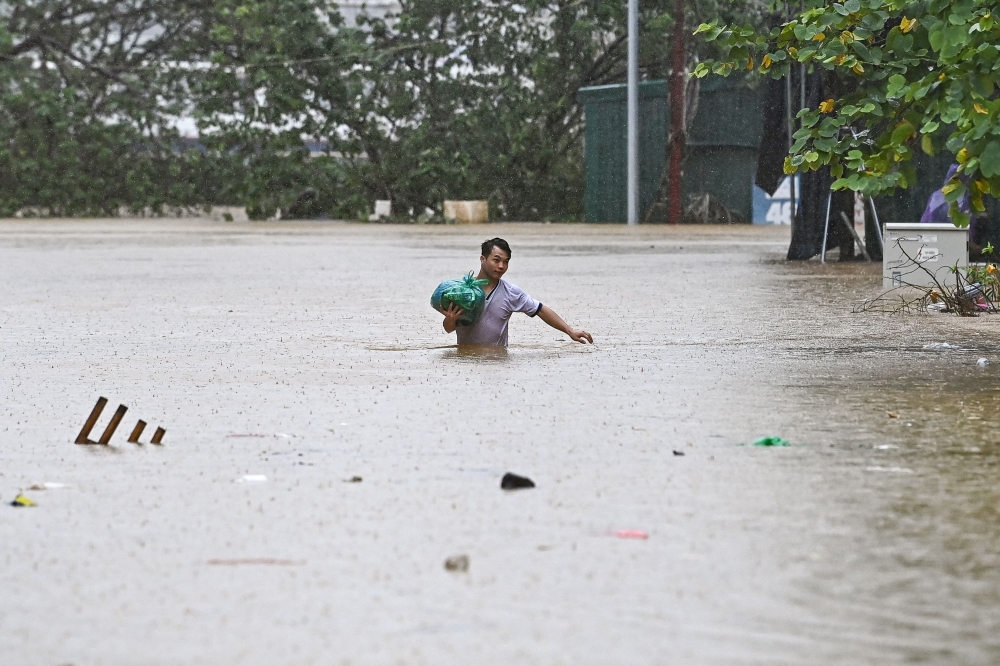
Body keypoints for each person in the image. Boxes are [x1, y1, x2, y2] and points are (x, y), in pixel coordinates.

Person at [439, 238, 593, 346]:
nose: (501, 266)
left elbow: (540, 310)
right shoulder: (464, 291)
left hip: (497, 361)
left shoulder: (511, 293)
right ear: (482, 259)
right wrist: (450, 319)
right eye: (496, 260)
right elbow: (448, 328)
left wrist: (570, 330)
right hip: (467, 362)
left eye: (505, 262)